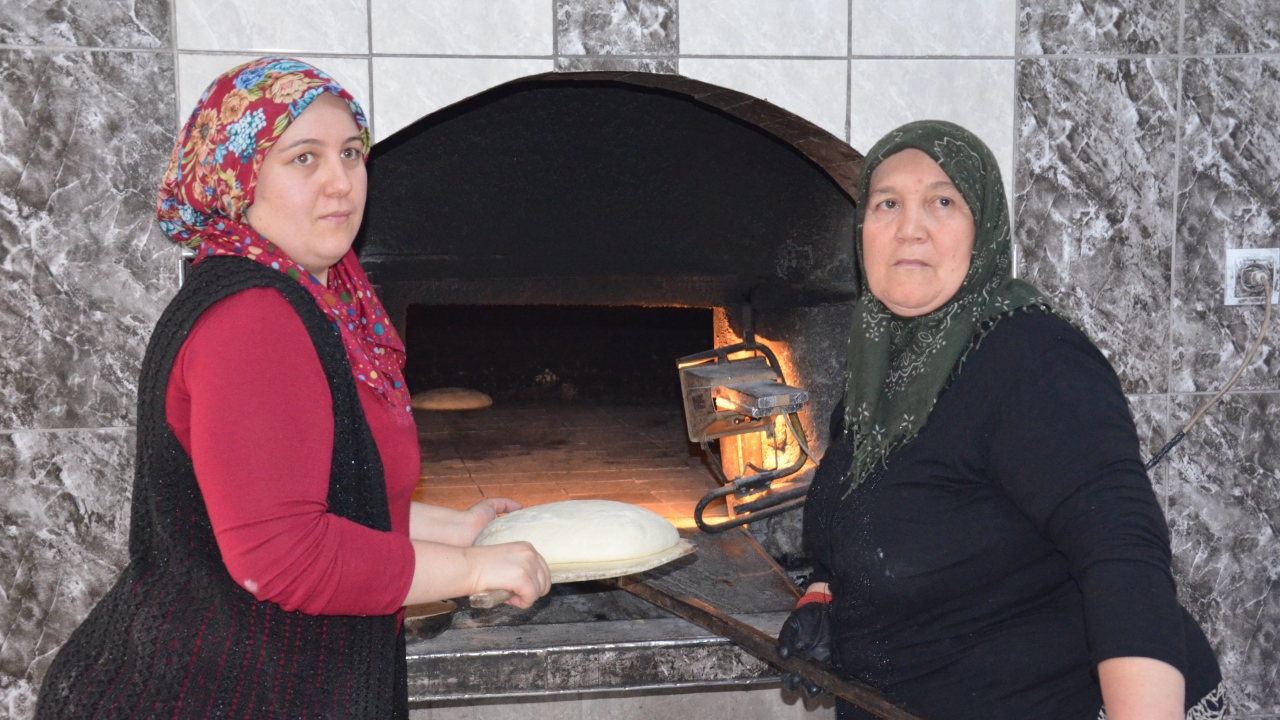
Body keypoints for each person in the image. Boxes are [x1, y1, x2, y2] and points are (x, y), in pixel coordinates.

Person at [35, 57, 550, 719]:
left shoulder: (315, 299)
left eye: (352, 153)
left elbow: (321, 493)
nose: (342, 183)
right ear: (239, 178)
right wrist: (477, 572)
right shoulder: (253, 318)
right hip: (207, 695)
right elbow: (283, 555)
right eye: (303, 159)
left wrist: (459, 530)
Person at [776, 121, 1223, 720]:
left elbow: (1123, 557)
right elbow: (863, 529)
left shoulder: (1032, 359)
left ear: (983, 228)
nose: (910, 228)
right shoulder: (884, 377)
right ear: (863, 233)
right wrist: (825, 595)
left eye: (942, 201)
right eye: (888, 204)